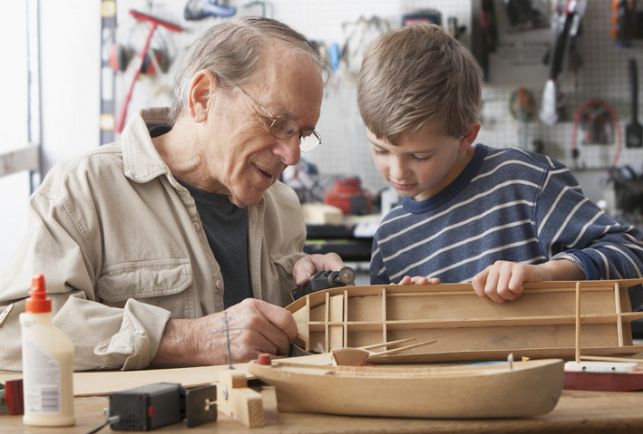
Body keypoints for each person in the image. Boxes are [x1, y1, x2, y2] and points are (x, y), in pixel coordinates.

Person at [0, 17, 343, 371]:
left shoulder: (283, 206)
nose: (292, 156)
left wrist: (317, 298)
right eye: (277, 123)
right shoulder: (83, 189)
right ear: (202, 97)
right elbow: (12, 333)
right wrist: (186, 339)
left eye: (301, 135)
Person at [357, 23, 643, 305]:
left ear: (466, 135)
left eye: (420, 156)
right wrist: (411, 313)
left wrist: (547, 274)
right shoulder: (390, 240)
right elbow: (383, 345)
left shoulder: (526, 182)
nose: (396, 172)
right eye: (380, 150)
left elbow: (632, 256)